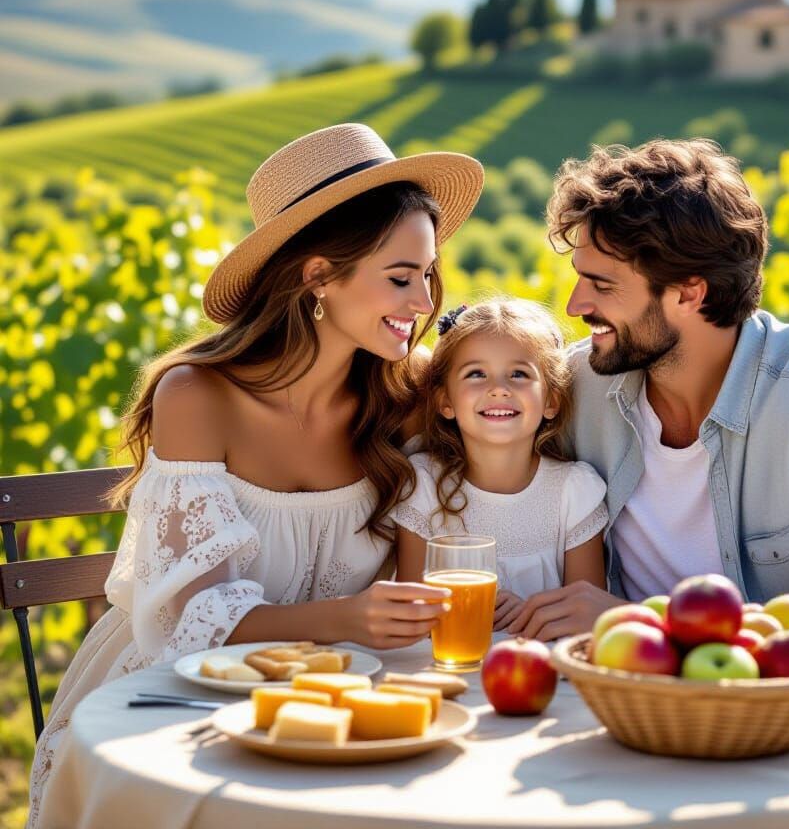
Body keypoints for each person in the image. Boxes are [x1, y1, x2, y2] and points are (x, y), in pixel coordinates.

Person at [28, 123, 484, 827]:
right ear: (317, 278)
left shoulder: (406, 398)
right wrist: (345, 619)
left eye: (428, 276)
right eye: (400, 277)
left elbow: (528, 414)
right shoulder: (197, 397)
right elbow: (189, 623)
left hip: (331, 701)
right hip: (171, 696)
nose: (423, 303)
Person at [508, 138, 789, 688]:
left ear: (690, 293)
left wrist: (643, 623)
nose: (575, 305)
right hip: (643, 716)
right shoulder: (581, 388)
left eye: (602, 285)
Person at [394, 298, 607, 629]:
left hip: (544, 670)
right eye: (476, 373)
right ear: (445, 401)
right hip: (442, 668)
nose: (498, 389)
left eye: (519, 374)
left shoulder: (574, 492)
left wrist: (527, 615)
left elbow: (586, 622)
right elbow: (411, 613)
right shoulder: (422, 485)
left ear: (551, 400)